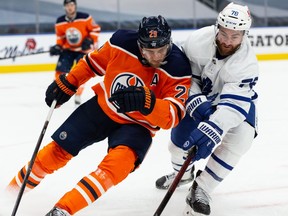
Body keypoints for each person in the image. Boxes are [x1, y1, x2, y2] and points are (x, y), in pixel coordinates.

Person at [6, 15, 192, 215]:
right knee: (56, 151)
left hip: (139, 126)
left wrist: (149, 104)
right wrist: (70, 82)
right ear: (139, 44)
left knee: (116, 167)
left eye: (161, 50)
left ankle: (63, 210)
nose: (156, 56)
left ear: (169, 42)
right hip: (102, 108)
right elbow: (92, 63)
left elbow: (173, 115)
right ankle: (10, 194)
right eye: (149, 50)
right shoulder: (121, 42)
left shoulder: (179, 66)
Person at [155, 2, 259, 215]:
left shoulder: (246, 63)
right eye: (224, 34)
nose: (227, 41)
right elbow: (182, 76)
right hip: (198, 97)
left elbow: (233, 106)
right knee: (177, 146)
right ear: (217, 27)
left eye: (235, 36)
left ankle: (202, 188)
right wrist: (194, 99)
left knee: (243, 137)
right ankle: (182, 174)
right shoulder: (197, 41)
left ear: (244, 34)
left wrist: (214, 127)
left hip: (235, 104)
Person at [49, 0, 101, 105]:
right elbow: (61, 37)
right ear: (64, 7)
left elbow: (95, 29)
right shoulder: (60, 21)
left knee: (80, 72)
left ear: (75, 6)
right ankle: (58, 92)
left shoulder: (85, 17)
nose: (70, 7)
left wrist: (90, 40)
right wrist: (58, 46)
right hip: (68, 50)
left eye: (72, 5)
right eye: (67, 5)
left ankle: (77, 94)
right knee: (60, 71)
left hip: (83, 50)